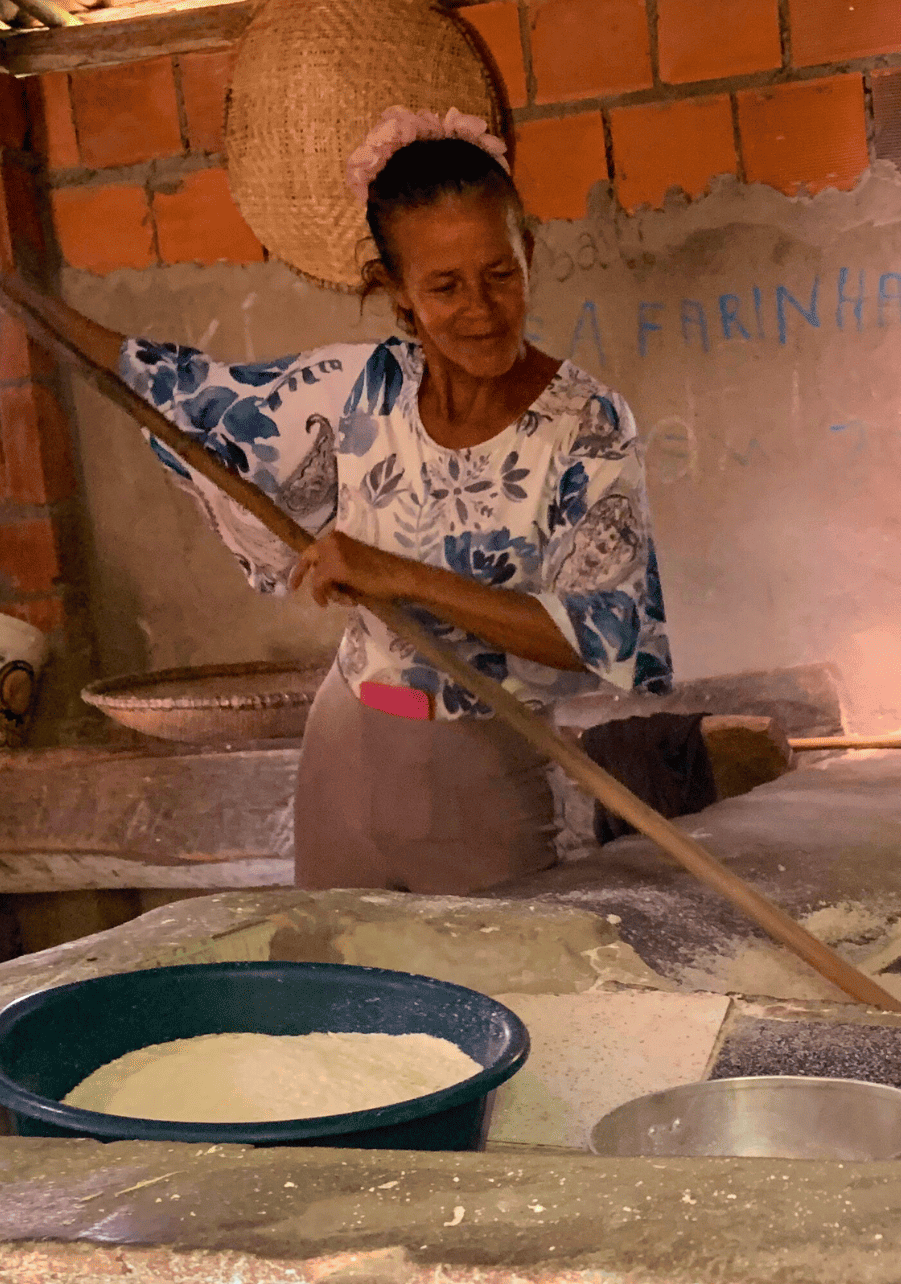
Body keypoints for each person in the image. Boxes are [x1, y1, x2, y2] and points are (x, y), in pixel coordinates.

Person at [0, 107, 672, 894]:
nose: (482, 308)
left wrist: (401, 576)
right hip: (346, 750)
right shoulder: (361, 389)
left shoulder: (587, 425)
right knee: (337, 962)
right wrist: (25, 302)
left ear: (529, 251)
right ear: (397, 292)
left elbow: (603, 631)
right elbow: (178, 388)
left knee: (492, 962)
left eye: (500, 273)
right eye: (444, 286)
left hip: (486, 771)